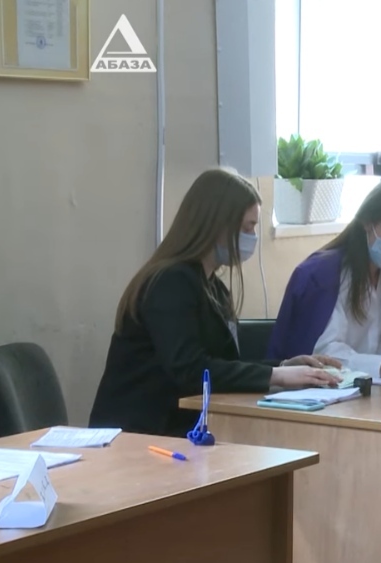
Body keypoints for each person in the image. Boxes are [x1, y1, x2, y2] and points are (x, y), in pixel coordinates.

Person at [90, 168, 342, 437]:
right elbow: (189, 369)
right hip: (140, 432)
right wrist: (275, 377)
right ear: (217, 224)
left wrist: (281, 366)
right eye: (247, 227)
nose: (252, 237)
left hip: (182, 428)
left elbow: (222, 364)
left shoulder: (213, 287)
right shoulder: (170, 282)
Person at [267, 178, 381, 380]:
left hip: (378, 392)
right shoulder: (322, 276)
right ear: (367, 222)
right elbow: (323, 353)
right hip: (325, 392)